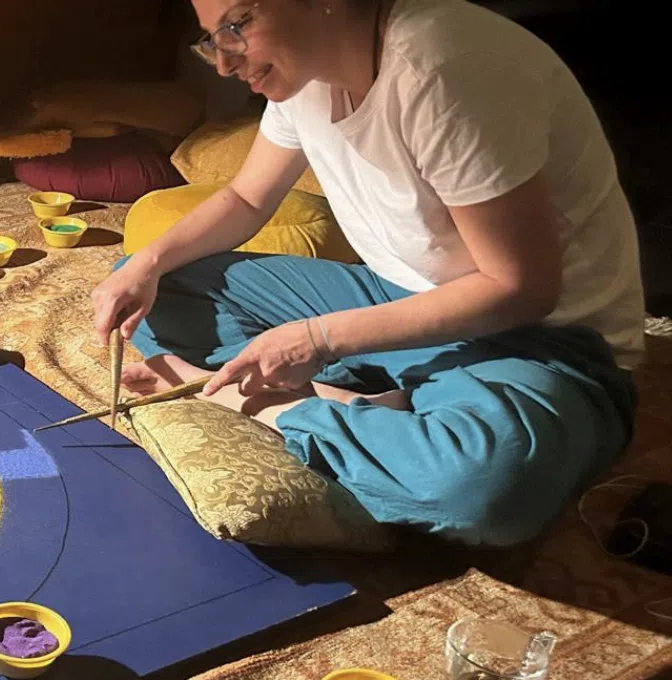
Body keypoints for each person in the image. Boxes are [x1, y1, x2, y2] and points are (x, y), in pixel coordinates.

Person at [92, 0, 642, 546]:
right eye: (212, 37)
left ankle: (259, 401)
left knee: (480, 486)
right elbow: (246, 198)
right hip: (396, 297)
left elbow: (520, 288)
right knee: (156, 289)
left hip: (541, 342)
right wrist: (146, 264)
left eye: (238, 25)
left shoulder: (448, 70)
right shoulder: (302, 74)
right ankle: (381, 413)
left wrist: (318, 337)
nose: (224, 62)